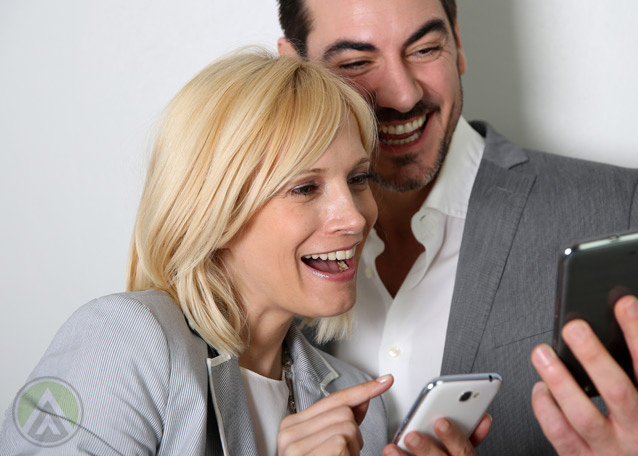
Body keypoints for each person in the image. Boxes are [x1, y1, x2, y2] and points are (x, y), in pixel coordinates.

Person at [275, 0, 638, 454]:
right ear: (294, 70)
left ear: (458, 40)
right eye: (356, 63)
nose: (403, 95)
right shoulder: (246, 247)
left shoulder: (625, 209)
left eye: (425, 49)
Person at [1, 51, 399, 456]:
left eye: (357, 178)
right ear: (215, 210)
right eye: (305, 188)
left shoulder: (360, 403)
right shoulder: (126, 341)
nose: (354, 217)